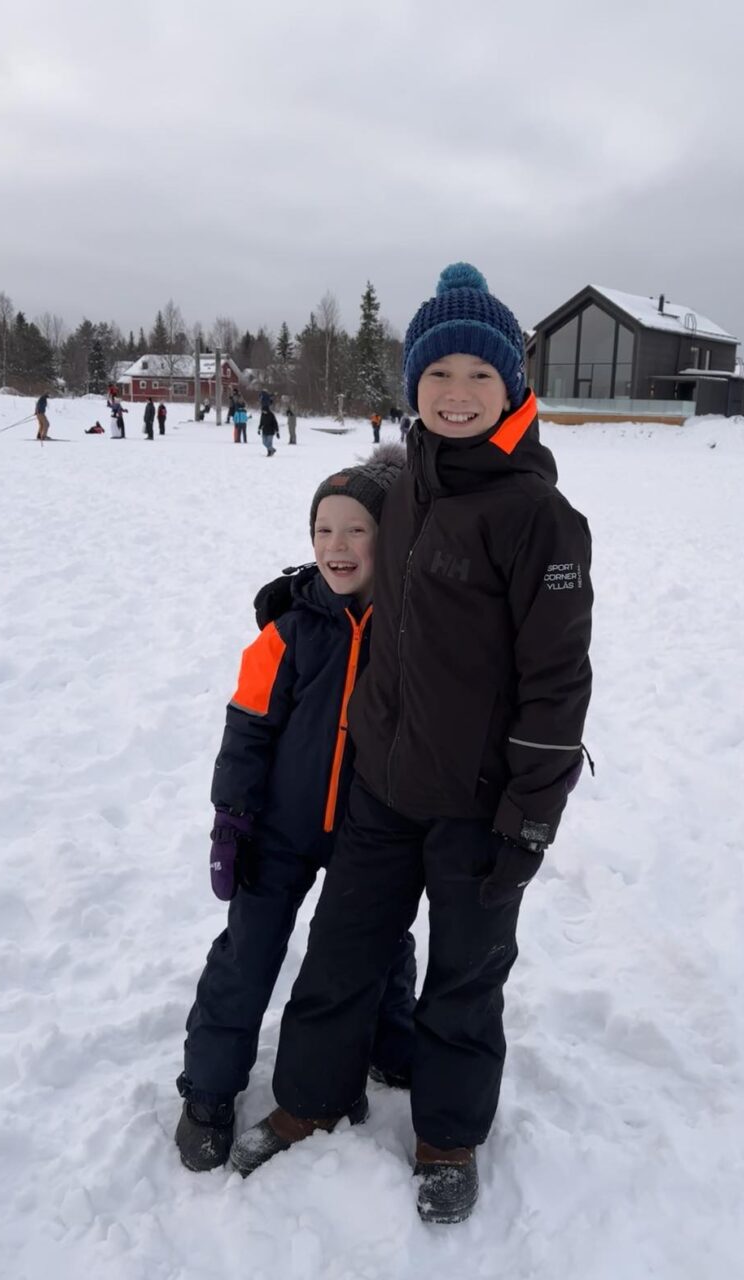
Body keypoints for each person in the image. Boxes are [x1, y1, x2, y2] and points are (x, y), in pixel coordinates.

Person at [230, 263, 593, 1224]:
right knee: (343, 952)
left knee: (464, 981)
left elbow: (558, 685)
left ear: (514, 386)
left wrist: (531, 818)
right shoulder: (405, 489)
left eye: (480, 374)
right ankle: (307, 1102)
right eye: (439, 376)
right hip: (383, 788)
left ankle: (447, 1137)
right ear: (413, 389)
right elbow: (360, 591)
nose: (459, 394)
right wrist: (301, 592)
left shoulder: (539, 517)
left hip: (481, 808)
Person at [174, 445, 416, 1173]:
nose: (337, 548)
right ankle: (208, 1092)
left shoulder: (410, 629)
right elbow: (246, 728)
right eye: (323, 531)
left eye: (356, 531)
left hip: (365, 832)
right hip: (278, 830)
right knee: (247, 956)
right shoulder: (288, 630)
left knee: (379, 946)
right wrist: (232, 818)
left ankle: (390, 1043)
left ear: (391, 537)